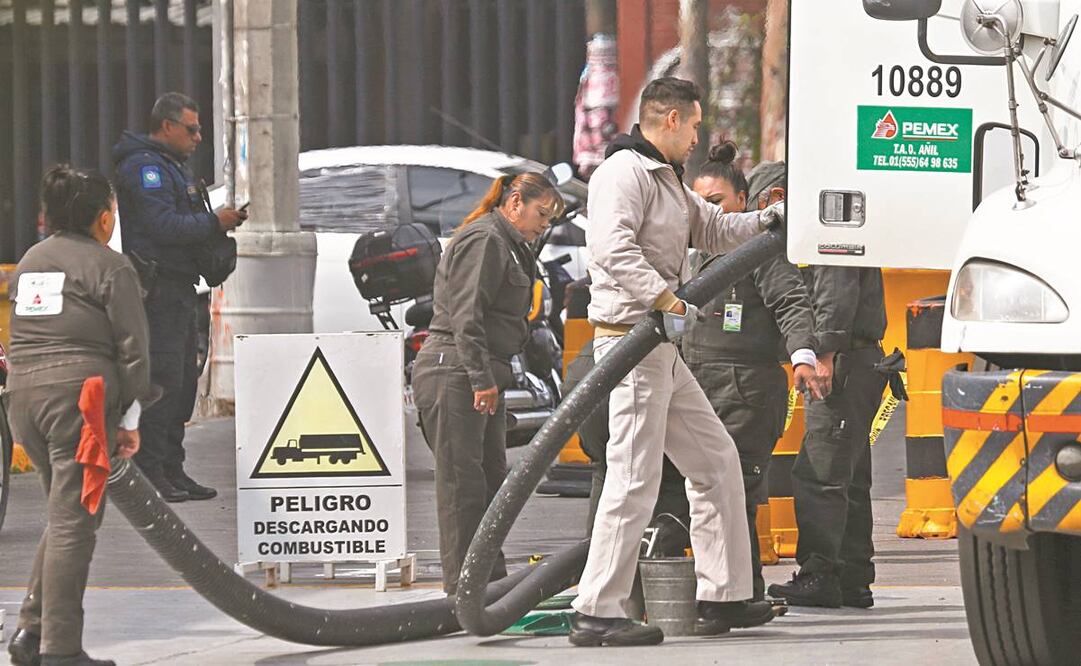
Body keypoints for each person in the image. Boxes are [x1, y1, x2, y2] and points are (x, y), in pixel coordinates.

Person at [569, 77, 784, 647]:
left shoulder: (665, 178)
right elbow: (611, 249)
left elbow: (714, 228)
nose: (696, 137)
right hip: (631, 343)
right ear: (669, 119)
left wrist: (769, 221)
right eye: (693, 125)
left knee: (716, 461)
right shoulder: (623, 174)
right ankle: (597, 610)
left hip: (659, 347)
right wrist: (666, 300)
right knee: (632, 477)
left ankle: (723, 595)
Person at [6, 166, 152, 666]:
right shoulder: (109, 265)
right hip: (80, 403)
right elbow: (134, 351)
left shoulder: (30, 261)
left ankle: (31, 632)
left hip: (24, 398)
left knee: (64, 515)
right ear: (105, 219)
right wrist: (129, 419)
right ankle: (61, 649)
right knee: (75, 523)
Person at [682, 145, 826, 601]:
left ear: (743, 201)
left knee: (736, 491)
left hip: (744, 390)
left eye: (717, 201)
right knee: (704, 493)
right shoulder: (690, 252)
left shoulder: (757, 250)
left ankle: (742, 594)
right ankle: (718, 591)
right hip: (696, 386)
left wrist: (803, 354)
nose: (709, 212)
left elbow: (792, 301)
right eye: (700, 203)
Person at [412, 173, 565, 596]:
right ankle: (463, 591)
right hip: (456, 371)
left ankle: (488, 582)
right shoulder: (485, 240)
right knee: (463, 487)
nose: (543, 225)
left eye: (549, 219)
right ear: (515, 203)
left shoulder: (510, 244)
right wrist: (481, 380)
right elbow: (467, 316)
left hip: (480, 373)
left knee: (491, 481)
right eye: (540, 214)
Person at [113, 92, 247, 502]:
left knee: (184, 383)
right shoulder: (145, 168)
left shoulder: (171, 166)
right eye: (191, 129)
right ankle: (150, 472)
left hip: (181, 289)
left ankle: (172, 467)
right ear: (167, 126)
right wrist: (214, 223)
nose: (198, 137)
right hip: (157, 292)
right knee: (162, 382)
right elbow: (163, 226)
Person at [767, 260, 888, 609]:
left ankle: (819, 575)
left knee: (820, 473)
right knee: (848, 476)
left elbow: (835, 286)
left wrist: (825, 352)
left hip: (841, 360)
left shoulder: (830, 232)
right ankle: (852, 578)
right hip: (858, 358)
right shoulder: (847, 228)